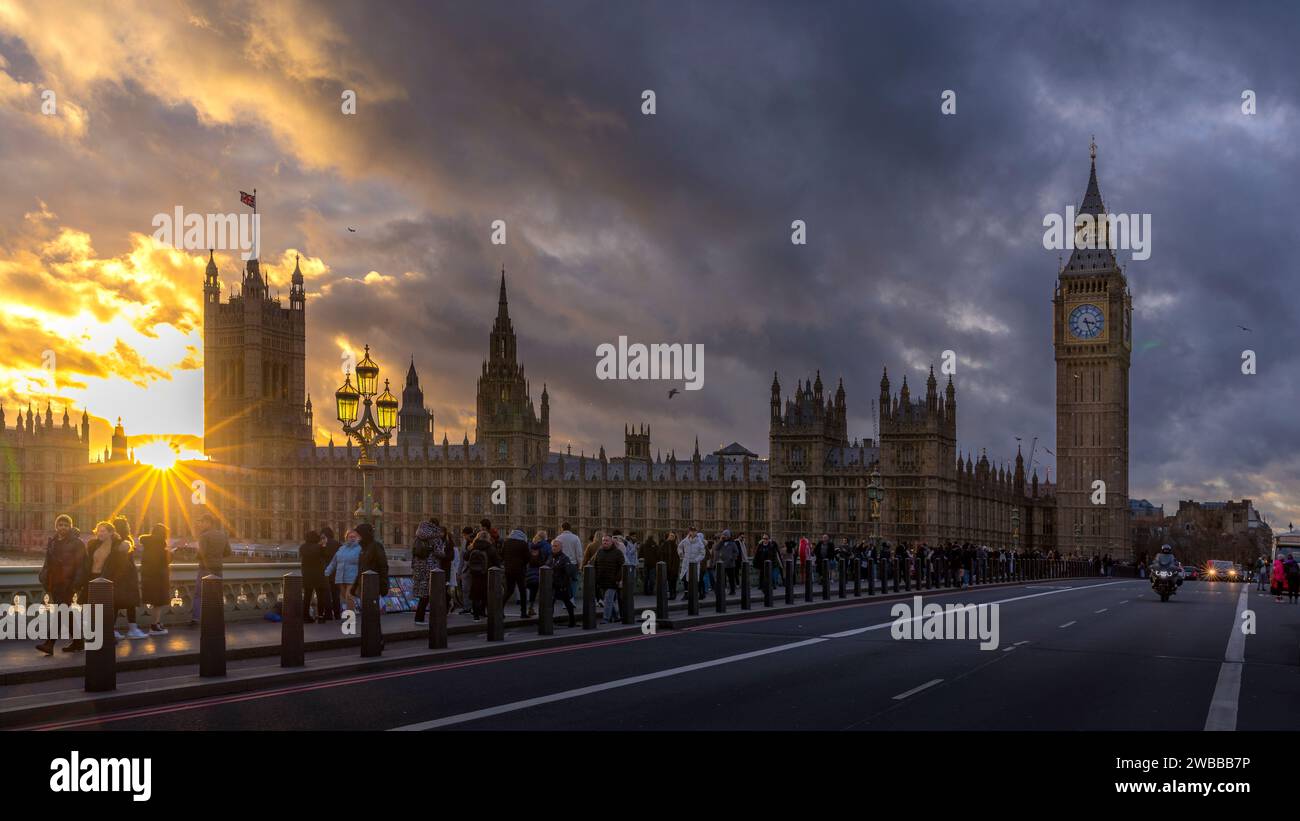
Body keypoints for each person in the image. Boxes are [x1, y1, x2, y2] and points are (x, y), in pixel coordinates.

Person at [36, 514, 88, 655]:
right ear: (56, 526)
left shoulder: (77, 543)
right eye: (60, 525)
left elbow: (82, 565)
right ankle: (78, 642)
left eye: (66, 525)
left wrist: (76, 584)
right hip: (55, 582)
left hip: (68, 583)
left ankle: (49, 643)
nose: (63, 527)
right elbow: (48, 562)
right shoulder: (52, 541)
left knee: (60, 612)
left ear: (70, 526)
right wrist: (43, 575)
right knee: (66, 613)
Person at [191, 513, 231, 627]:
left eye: (202, 522)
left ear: (209, 522)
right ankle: (216, 619)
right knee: (217, 595)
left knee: (199, 594)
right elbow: (228, 552)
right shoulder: (223, 535)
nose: (201, 524)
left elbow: (201, 554)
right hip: (218, 569)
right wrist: (217, 555)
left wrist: (196, 556)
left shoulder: (204, 536)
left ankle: (196, 618)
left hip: (205, 569)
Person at [138, 523, 172, 635]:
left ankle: (156, 623)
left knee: (155, 602)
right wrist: (170, 554)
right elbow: (163, 560)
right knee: (158, 602)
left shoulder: (148, 544)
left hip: (148, 577)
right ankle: (154, 625)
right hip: (158, 578)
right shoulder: (159, 545)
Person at [325, 529, 362, 615]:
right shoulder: (341, 549)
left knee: (349, 596)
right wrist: (326, 572)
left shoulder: (360, 549)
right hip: (340, 577)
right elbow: (333, 563)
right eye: (350, 537)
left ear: (358, 538)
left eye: (354, 537)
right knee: (344, 597)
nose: (352, 538)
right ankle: (352, 611)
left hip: (353, 577)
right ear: (346, 538)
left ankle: (350, 617)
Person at [466, 532, 501, 620]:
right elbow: (497, 561)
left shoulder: (474, 546)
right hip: (486, 573)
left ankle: (475, 615)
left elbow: (465, 557)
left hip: (474, 573)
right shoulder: (490, 548)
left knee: (475, 594)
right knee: (485, 593)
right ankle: (482, 611)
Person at [594, 534, 626, 623]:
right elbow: (594, 564)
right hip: (601, 580)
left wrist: (618, 579)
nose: (605, 542)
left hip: (612, 581)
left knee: (608, 599)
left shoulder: (618, 553)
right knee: (607, 600)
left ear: (611, 542)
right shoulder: (599, 552)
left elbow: (622, 567)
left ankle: (606, 618)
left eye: (607, 541)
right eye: (603, 540)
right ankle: (615, 617)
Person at [501, 529, 532, 617]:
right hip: (520, 570)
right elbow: (528, 558)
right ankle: (523, 612)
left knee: (509, 590)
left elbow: (502, 555)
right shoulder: (523, 543)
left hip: (508, 570)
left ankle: (500, 608)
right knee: (522, 591)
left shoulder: (506, 542)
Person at [546, 544, 577, 627]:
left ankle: (572, 621)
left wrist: (564, 582)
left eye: (556, 546)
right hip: (552, 584)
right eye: (553, 546)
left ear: (560, 548)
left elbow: (568, 571)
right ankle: (548, 621)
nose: (554, 548)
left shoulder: (564, 558)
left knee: (567, 602)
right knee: (550, 603)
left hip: (561, 585)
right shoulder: (550, 557)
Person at [526, 530, 551, 617]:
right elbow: (550, 559)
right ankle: (544, 609)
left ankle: (530, 607)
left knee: (533, 590)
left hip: (530, 572)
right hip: (542, 571)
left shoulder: (529, 545)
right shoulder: (547, 546)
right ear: (545, 537)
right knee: (544, 591)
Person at [319, 526, 340, 620]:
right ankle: (337, 614)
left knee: (327, 595)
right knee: (336, 595)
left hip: (326, 572)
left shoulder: (323, 543)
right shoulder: (338, 544)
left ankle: (328, 615)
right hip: (336, 572)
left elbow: (320, 557)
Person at [678, 526, 705, 593]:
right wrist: (681, 553)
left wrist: (696, 560)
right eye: (691, 531)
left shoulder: (699, 542)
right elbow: (679, 547)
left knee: (694, 579)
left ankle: (695, 594)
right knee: (685, 580)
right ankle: (686, 594)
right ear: (689, 532)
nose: (692, 532)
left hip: (694, 564)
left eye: (694, 531)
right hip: (686, 563)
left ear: (696, 532)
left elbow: (702, 554)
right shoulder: (685, 540)